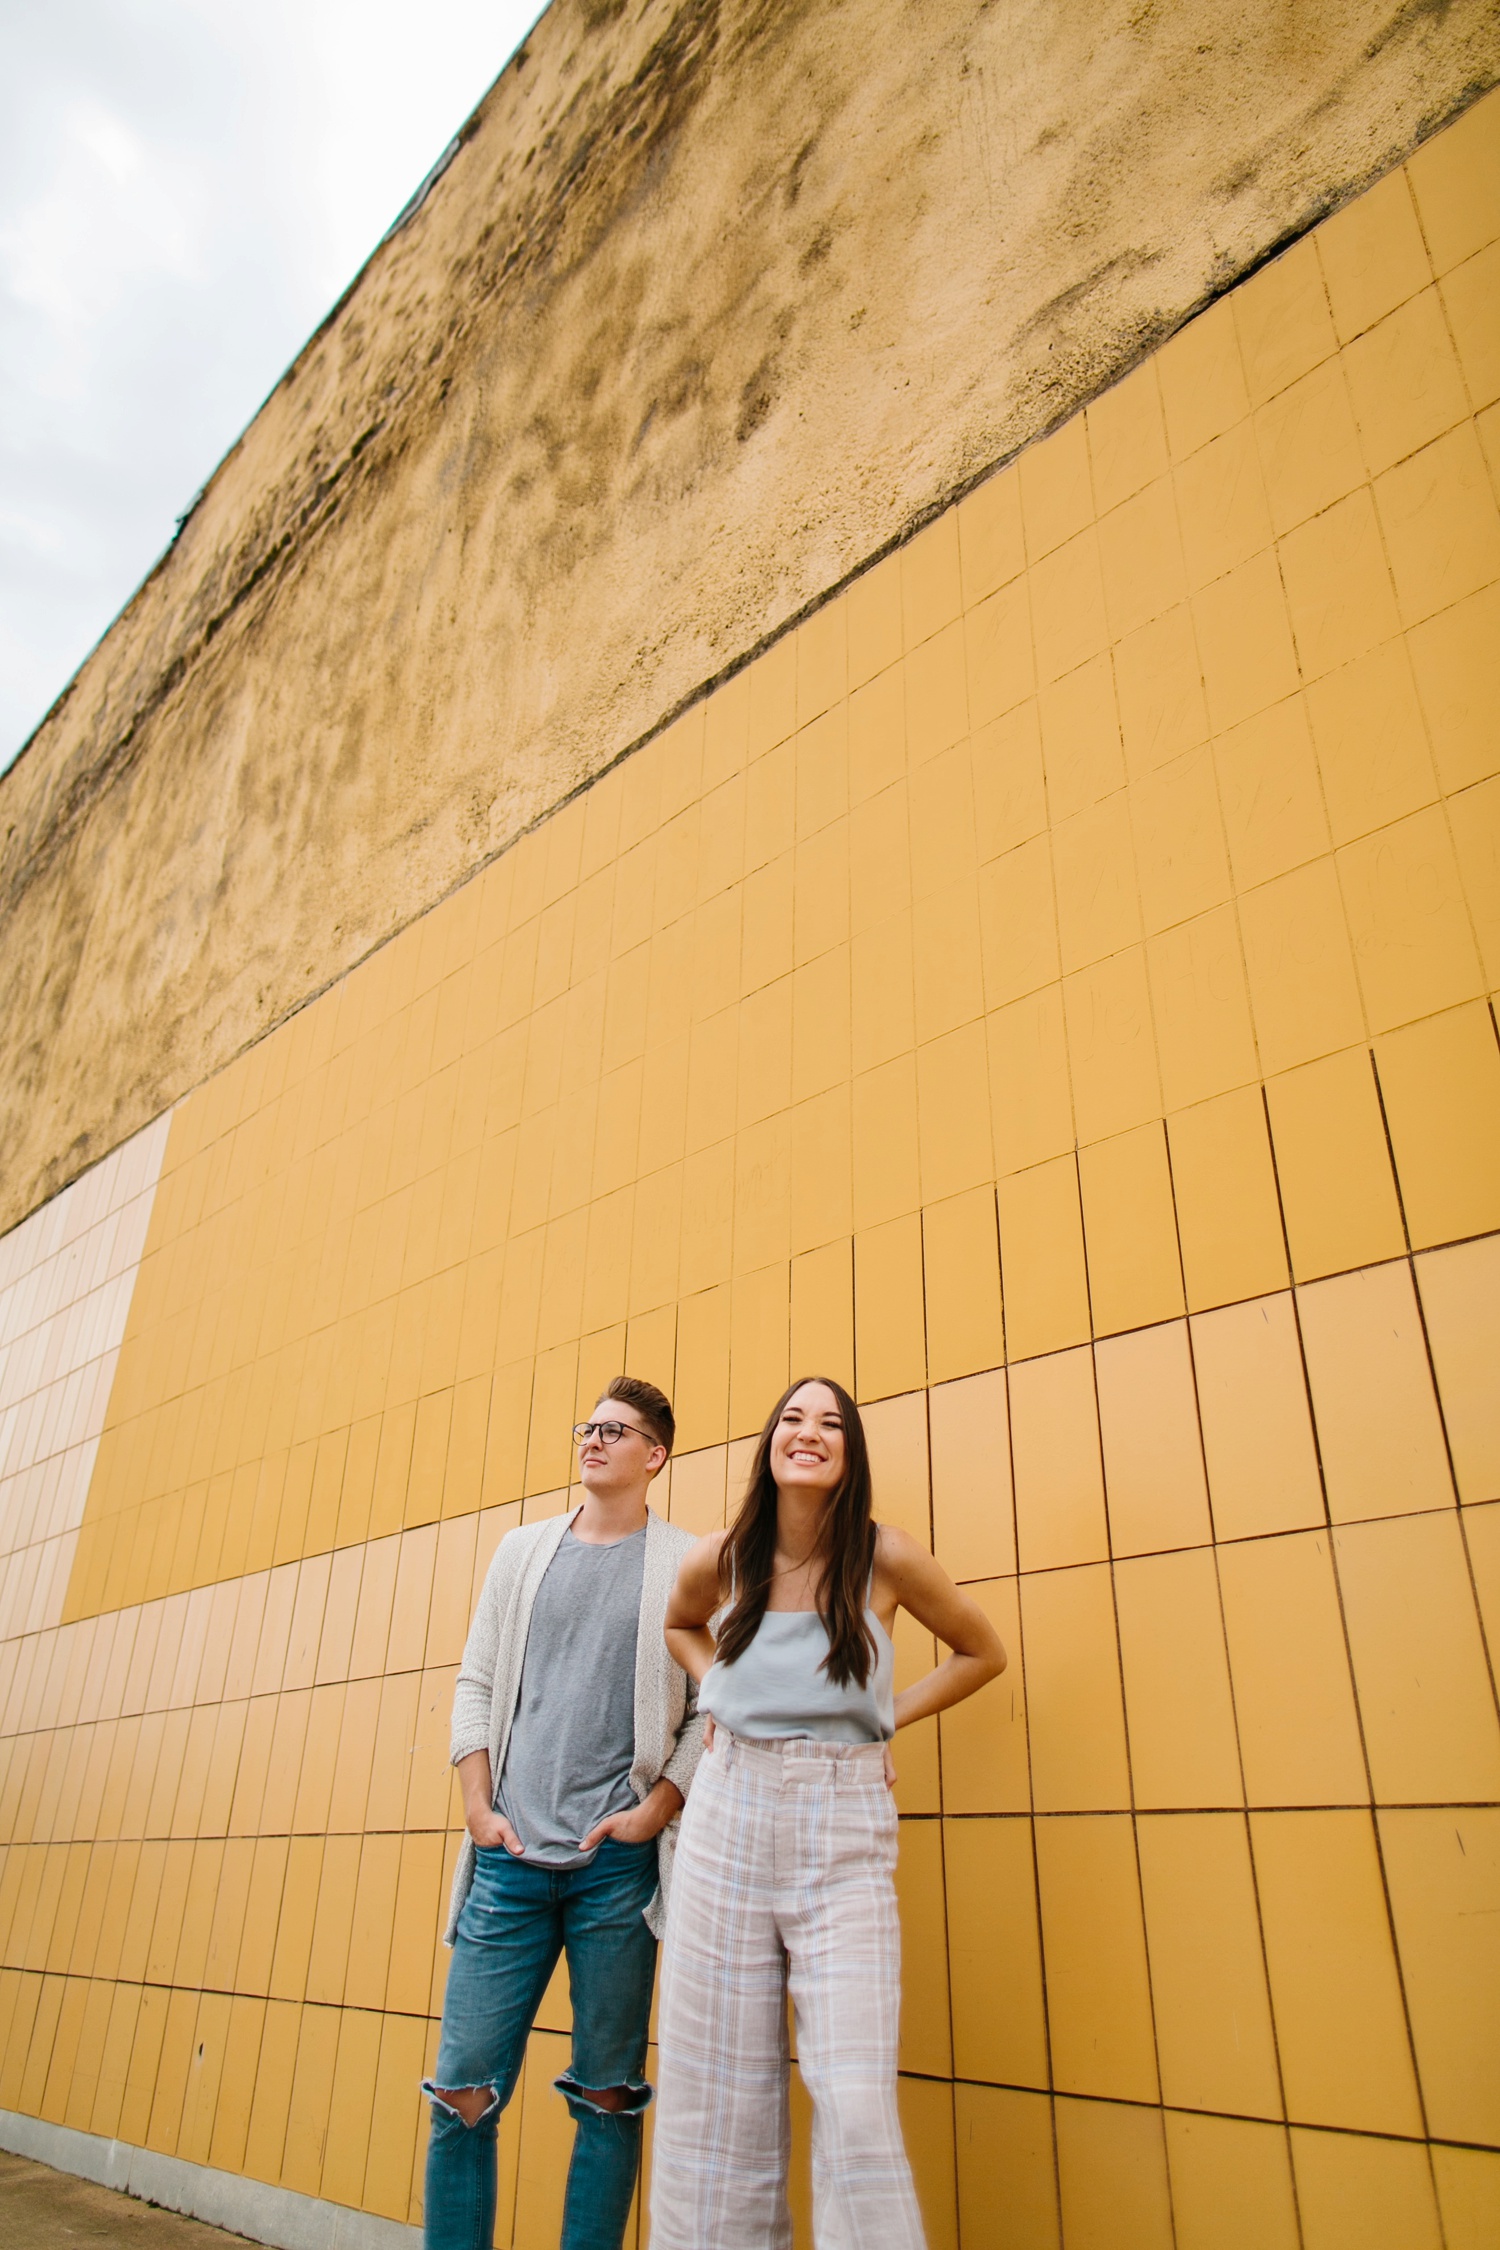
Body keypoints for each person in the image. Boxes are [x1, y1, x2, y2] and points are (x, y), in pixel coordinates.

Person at [651, 1375, 1006, 2250]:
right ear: (770, 1443)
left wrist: (882, 1718)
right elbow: (679, 1626)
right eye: (793, 1419)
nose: (808, 1433)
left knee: (852, 2092)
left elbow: (981, 1651)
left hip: (840, 1826)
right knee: (716, 2092)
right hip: (725, 1811)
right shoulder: (721, 1555)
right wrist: (722, 1689)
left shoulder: (887, 1556)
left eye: (831, 1423)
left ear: (850, 1454)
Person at [423, 1375, 703, 2250]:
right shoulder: (522, 1551)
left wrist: (656, 1808)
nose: (594, 1440)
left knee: (609, 2098)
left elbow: (710, 1710)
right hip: (507, 1862)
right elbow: (474, 1684)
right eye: (588, 1426)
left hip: (614, 1874)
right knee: (462, 2095)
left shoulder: (687, 1563)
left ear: (653, 1455)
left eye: (615, 1431)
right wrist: (477, 1805)